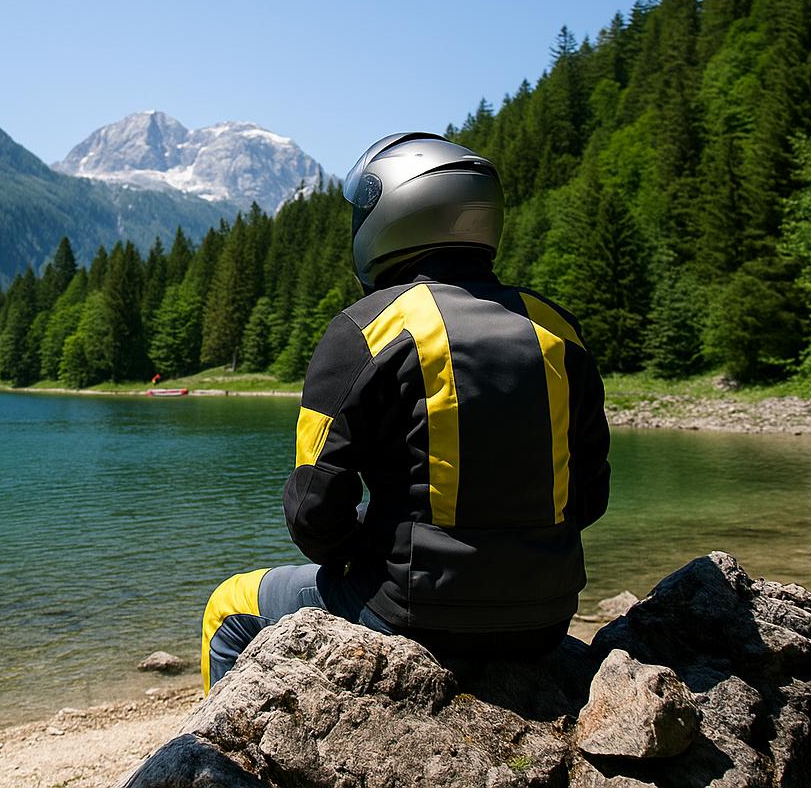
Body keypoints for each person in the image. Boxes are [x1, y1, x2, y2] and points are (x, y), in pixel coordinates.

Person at [201, 132, 610, 692]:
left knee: (228, 608)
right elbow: (589, 497)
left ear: (393, 211)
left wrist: (365, 553)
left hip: (411, 618)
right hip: (546, 618)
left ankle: (220, 763)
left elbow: (314, 513)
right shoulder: (558, 330)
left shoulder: (371, 328)